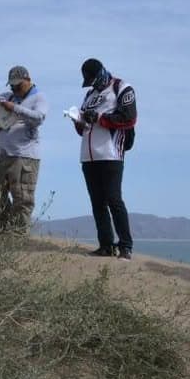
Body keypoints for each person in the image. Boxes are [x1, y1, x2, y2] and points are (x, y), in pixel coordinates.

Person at [72, 58, 136, 260]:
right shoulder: (90, 94)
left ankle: (125, 246)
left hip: (110, 153)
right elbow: (82, 129)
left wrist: (99, 118)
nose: (91, 85)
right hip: (88, 156)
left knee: (114, 199)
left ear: (101, 73)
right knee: (97, 202)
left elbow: (129, 118)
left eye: (93, 80)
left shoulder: (122, 87)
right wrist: (79, 120)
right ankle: (106, 245)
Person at [0, 65, 47, 234]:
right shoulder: (8, 96)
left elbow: (39, 118)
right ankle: (2, 229)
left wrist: (13, 108)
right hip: (5, 155)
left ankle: (18, 235)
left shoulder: (39, 97)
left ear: (28, 80)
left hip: (25, 156)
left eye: (18, 85)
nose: (15, 89)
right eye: (12, 85)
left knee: (22, 198)